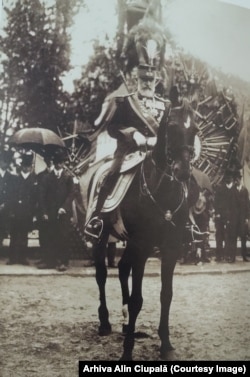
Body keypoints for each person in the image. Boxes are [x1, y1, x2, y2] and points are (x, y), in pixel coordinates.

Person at [85, 63, 170, 239]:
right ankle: (98, 218)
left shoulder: (165, 105)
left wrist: (161, 139)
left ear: (157, 81)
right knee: (111, 173)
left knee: (177, 176)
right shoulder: (126, 102)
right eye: (143, 80)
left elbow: (172, 131)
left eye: (151, 80)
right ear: (136, 80)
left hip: (157, 153)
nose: (147, 84)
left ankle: (183, 224)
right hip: (129, 152)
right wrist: (133, 133)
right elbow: (112, 128)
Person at [38, 150, 75, 271]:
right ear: (54, 163)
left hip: (63, 213)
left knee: (63, 237)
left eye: (62, 163)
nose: (60, 165)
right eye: (58, 163)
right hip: (50, 212)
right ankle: (50, 261)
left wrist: (64, 207)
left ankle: (63, 262)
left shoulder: (68, 177)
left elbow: (71, 194)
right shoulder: (47, 178)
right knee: (50, 236)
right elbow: (42, 196)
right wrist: (44, 212)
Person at [8, 151, 37, 265]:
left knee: (24, 235)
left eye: (28, 166)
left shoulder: (33, 180)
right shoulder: (15, 179)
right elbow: (11, 196)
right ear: (21, 166)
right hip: (15, 211)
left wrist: (33, 212)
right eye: (24, 166)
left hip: (27, 212)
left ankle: (22, 258)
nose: (26, 168)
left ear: (30, 167)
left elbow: (35, 198)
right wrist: (11, 210)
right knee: (14, 235)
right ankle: (12, 258)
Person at [214, 169, 240, 263]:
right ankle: (219, 255)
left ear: (232, 178)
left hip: (232, 217)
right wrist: (217, 213)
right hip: (221, 217)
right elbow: (216, 202)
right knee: (219, 236)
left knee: (231, 236)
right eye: (227, 177)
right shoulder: (220, 189)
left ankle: (229, 255)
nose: (228, 179)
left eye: (230, 177)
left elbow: (238, 205)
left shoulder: (236, 190)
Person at [36, 156, 54, 268]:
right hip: (43, 209)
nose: (50, 162)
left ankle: (51, 260)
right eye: (48, 160)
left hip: (53, 209)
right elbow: (38, 194)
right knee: (43, 235)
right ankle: (44, 258)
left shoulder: (58, 175)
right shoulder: (40, 175)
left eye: (51, 160)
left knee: (52, 235)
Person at [0, 149, 16, 250]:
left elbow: (12, 193)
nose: (5, 163)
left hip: (4, 207)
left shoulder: (11, 177)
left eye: (7, 161)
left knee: (2, 227)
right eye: (3, 161)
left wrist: (5, 204)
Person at [234, 170, 250, 262]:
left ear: (240, 179)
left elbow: (248, 205)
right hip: (235, 218)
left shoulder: (245, 191)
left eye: (239, 179)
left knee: (243, 237)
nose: (238, 181)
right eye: (236, 179)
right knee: (234, 237)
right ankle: (232, 257)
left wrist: (247, 218)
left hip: (243, 217)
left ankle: (244, 256)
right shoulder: (233, 190)